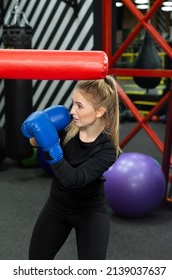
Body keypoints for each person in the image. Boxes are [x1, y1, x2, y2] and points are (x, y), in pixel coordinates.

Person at [21, 75, 121, 260]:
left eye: (79, 106)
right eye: (73, 103)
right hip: (56, 206)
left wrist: (52, 148)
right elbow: (33, 141)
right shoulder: (69, 125)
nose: (72, 110)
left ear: (99, 112)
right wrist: (39, 126)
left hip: (89, 213)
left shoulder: (107, 150)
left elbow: (73, 180)